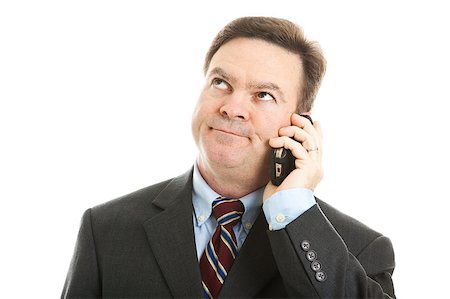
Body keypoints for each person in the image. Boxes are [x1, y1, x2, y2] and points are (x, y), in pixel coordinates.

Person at [61, 16, 396, 298]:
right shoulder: (106, 229)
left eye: (263, 95)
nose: (232, 108)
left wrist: (292, 208)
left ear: (300, 124)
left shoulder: (360, 249)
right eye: (220, 82)